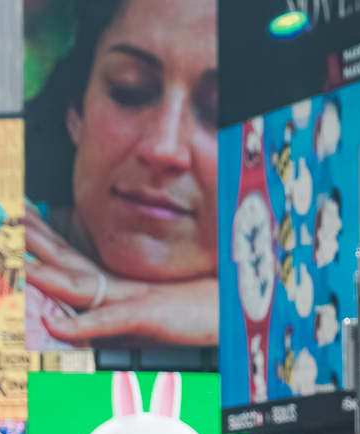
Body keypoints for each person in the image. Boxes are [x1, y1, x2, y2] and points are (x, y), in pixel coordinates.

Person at [22, 0, 218, 350]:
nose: (164, 148)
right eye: (131, 90)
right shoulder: (4, 251)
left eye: (218, 113)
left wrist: (235, 314)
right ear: (75, 113)